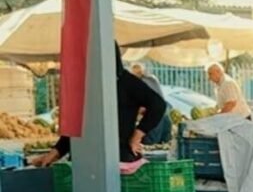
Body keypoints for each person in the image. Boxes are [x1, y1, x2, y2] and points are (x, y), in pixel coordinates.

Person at [31, 44, 166, 167]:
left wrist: (137, 136)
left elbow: (158, 105)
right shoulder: (84, 86)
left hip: (118, 158)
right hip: (84, 159)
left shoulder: (125, 82)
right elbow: (76, 126)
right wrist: (55, 153)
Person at [129, 63, 172, 146]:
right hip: (163, 117)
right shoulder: (152, 80)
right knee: (163, 145)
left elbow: (144, 106)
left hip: (154, 119)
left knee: (151, 143)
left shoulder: (143, 82)